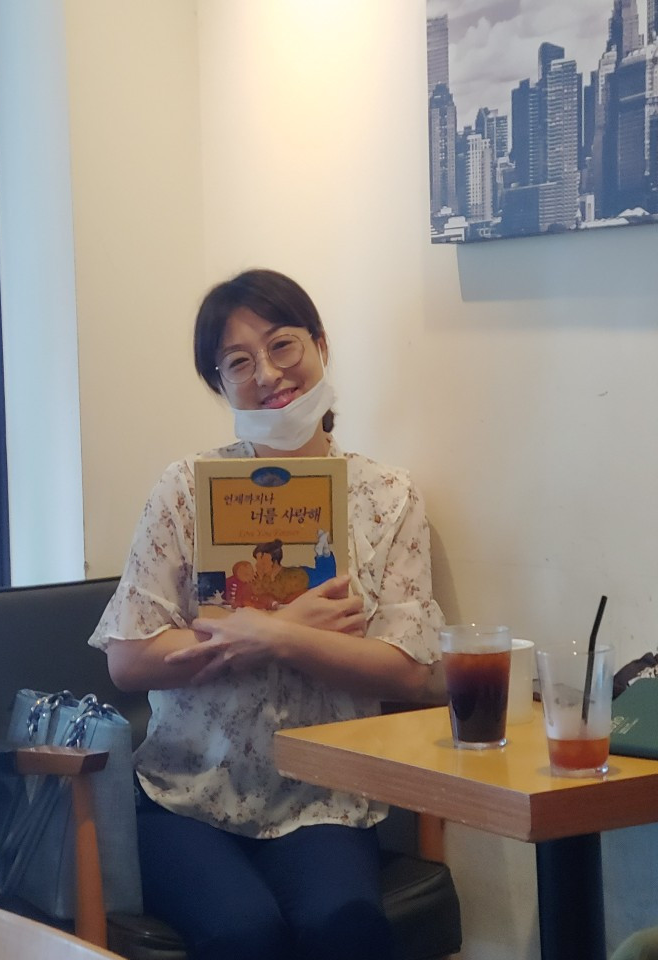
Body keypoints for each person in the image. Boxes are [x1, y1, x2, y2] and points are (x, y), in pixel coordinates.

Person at [88, 268, 446, 960]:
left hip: (326, 799)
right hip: (185, 795)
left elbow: (408, 670)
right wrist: (278, 632)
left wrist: (274, 636)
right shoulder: (184, 490)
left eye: (283, 345)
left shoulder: (389, 496)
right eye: (239, 362)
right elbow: (129, 659)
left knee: (345, 925)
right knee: (243, 934)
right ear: (219, 384)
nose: (269, 374)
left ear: (320, 345)